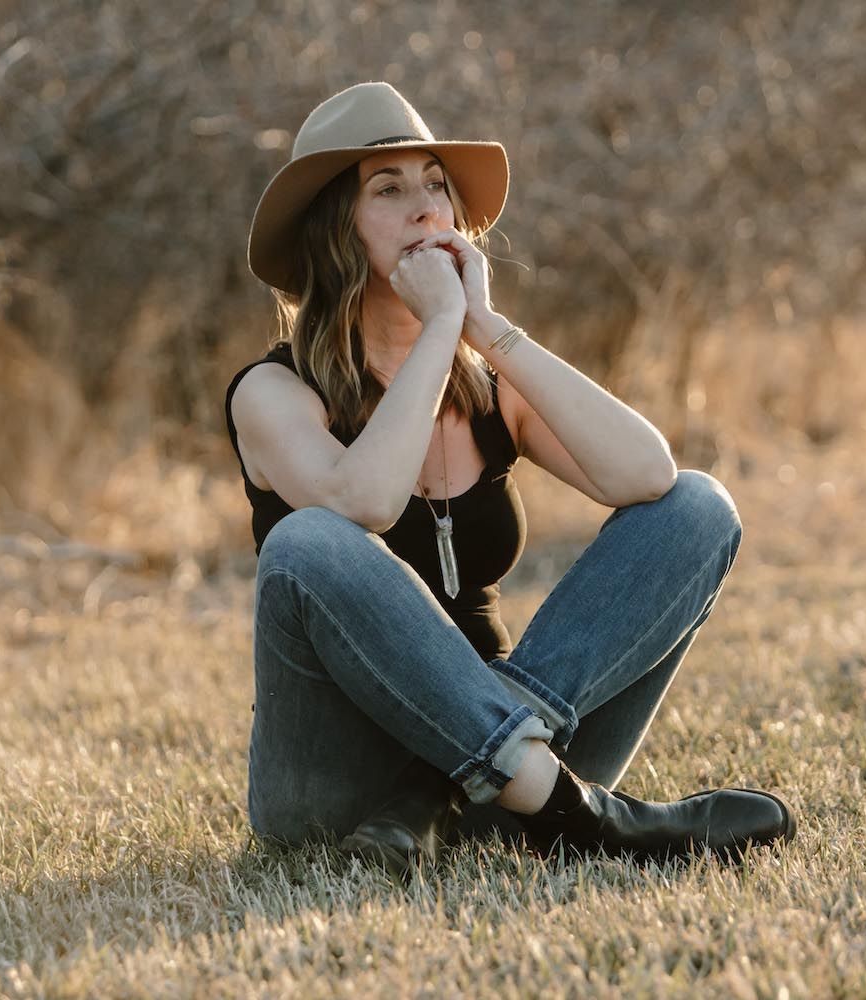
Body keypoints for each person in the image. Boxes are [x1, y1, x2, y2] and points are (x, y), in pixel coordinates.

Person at [225, 81, 794, 876]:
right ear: (335, 235)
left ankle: (443, 796)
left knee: (698, 505)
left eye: (435, 186)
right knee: (309, 541)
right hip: (335, 790)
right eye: (388, 190)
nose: (426, 209)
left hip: (506, 779)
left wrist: (485, 328)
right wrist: (442, 329)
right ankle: (590, 818)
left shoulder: (489, 384)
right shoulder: (272, 393)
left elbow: (648, 473)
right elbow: (366, 502)